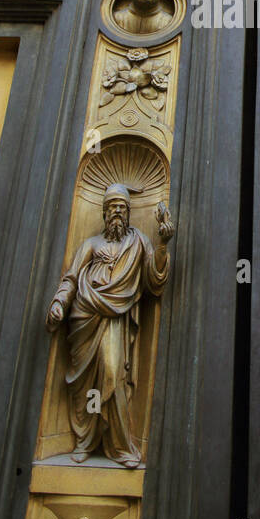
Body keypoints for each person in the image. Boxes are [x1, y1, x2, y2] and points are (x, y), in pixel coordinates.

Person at [46, 186, 174, 465]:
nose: (117, 211)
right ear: (104, 212)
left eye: (122, 207)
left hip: (115, 319)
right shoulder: (90, 245)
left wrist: (162, 245)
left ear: (128, 213)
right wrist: (59, 303)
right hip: (84, 318)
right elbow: (70, 278)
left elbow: (154, 280)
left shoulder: (138, 242)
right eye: (112, 207)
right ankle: (85, 440)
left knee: (113, 373)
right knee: (87, 383)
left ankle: (119, 446)